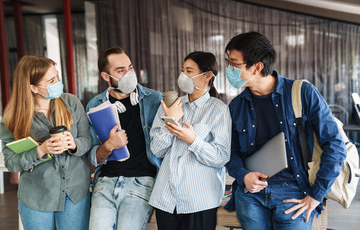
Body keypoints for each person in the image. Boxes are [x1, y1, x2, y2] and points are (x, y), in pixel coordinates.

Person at [224, 31, 347, 230]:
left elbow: (335, 145)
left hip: (294, 193)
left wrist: (316, 195)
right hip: (250, 196)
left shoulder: (302, 92)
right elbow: (231, 152)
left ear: (257, 67)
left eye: (234, 64)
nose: (228, 69)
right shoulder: (237, 105)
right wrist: (243, 175)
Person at [0, 55, 92, 230]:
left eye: (57, 76)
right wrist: (40, 151)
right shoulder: (12, 119)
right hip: (37, 197)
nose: (58, 82)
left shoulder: (70, 102)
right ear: (33, 87)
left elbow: (87, 140)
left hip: (74, 193)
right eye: (51, 80)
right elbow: (11, 164)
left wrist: (74, 144)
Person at [149, 51, 231, 230]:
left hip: (199, 202)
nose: (183, 76)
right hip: (166, 199)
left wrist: (193, 140)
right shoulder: (170, 106)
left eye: (189, 71)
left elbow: (221, 157)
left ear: (207, 75)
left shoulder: (219, 110)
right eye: (182, 70)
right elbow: (157, 149)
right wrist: (171, 121)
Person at [86, 46, 162, 230]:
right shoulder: (95, 105)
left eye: (130, 67)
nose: (129, 73)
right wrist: (110, 145)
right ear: (106, 77)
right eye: (121, 71)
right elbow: (94, 157)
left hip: (141, 182)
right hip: (105, 183)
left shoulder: (154, 99)